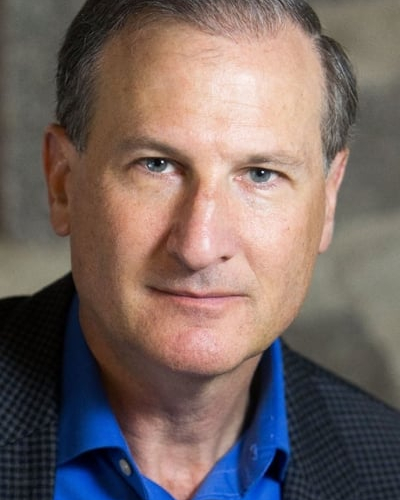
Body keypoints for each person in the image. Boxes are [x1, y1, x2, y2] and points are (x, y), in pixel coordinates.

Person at [1, 0, 399, 498]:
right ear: (62, 182)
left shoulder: (389, 469)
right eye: (156, 165)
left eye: (261, 174)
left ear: (329, 199)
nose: (200, 246)